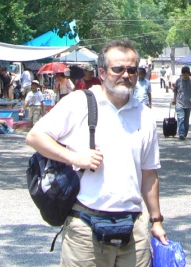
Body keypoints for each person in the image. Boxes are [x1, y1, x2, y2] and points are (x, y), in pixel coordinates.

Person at [25, 39, 167, 266]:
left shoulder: (145, 115)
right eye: (118, 69)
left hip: (134, 228)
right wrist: (73, 157)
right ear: (102, 72)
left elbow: (149, 174)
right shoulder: (79, 103)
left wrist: (157, 220)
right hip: (85, 225)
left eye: (132, 69)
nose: (126, 75)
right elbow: (35, 137)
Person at [172, 66, 191, 139]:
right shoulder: (178, 81)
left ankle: (185, 133)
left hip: (188, 103)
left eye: (187, 73)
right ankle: (181, 133)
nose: (185, 75)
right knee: (180, 118)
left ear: (189, 74)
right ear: (182, 74)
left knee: (186, 121)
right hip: (179, 103)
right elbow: (175, 90)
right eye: (184, 73)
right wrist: (174, 99)